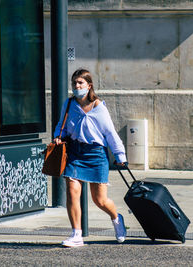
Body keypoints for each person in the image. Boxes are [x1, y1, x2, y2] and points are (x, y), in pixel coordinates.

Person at [53, 68, 127, 247]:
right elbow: (61, 124)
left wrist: (120, 155)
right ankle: (76, 234)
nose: (76, 86)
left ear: (89, 85)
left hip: (95, 155)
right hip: (75, 152)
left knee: (99, 200)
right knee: (72, 191)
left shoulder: (98, 107)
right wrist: (58, 136)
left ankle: (117, 218)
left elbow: (110, 133)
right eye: (74, 83)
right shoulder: (69, 104)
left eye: (80, 83)